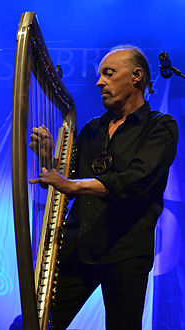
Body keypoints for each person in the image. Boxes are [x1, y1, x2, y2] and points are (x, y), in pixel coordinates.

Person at [29, 45, 178, 330]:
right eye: (100, 76)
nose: (99, 82)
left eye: (108, 74)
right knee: (39, 321)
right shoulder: (92, 129)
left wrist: (71, 185)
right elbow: (68, 177)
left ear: (136, 76)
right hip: (79, 245)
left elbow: (135, 179)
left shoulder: (160, 127)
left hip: (126, 252)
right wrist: (48, 156)